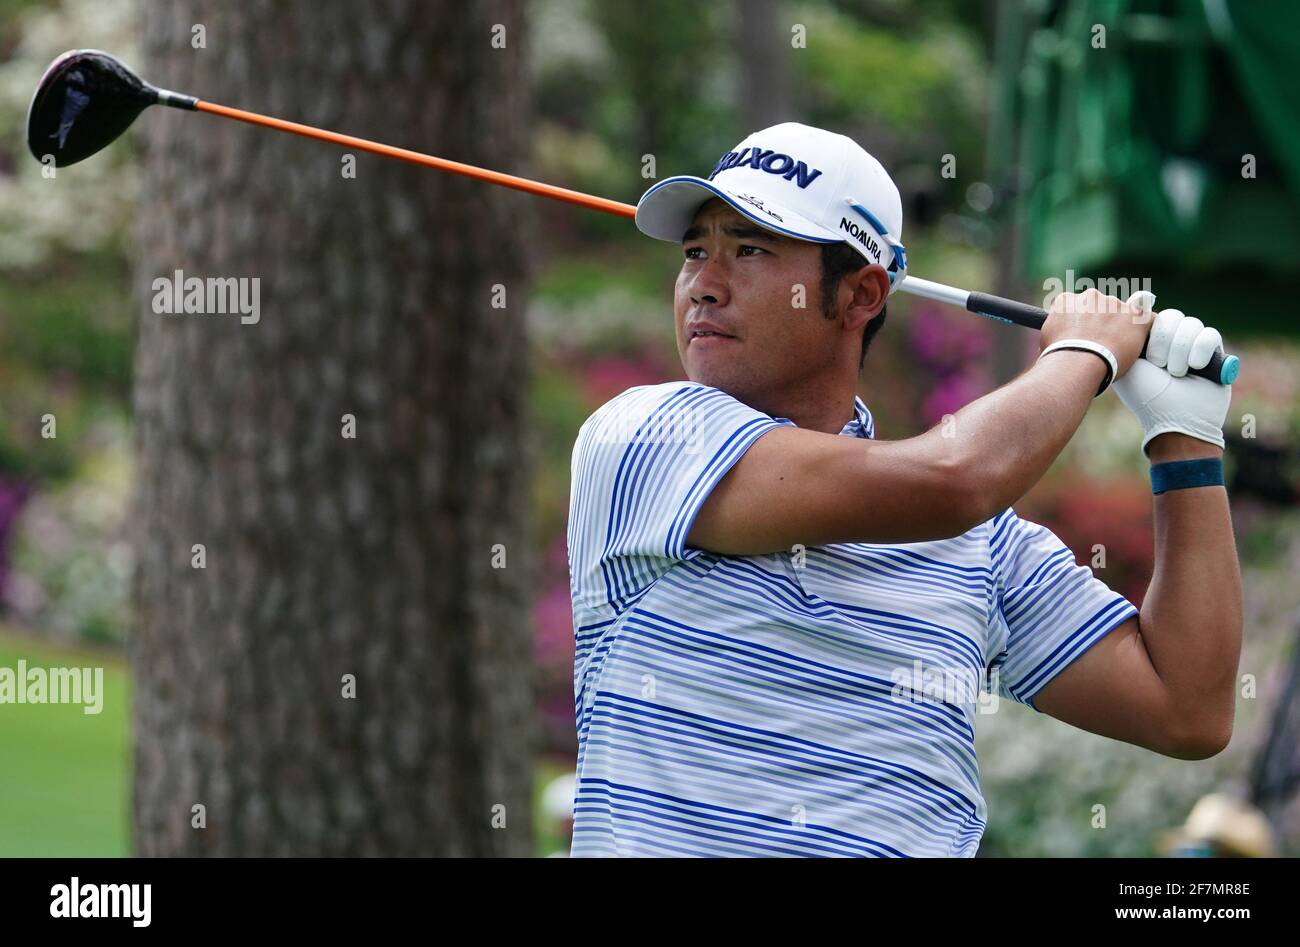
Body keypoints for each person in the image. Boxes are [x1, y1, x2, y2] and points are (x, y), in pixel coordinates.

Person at [565, 122, 1241, 857]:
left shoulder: (981, 546)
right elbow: (955, 479)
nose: (703, 283)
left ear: (860, 295)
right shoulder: (645, 438)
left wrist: (1186, 441)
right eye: (696, 250)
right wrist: (1085, 350)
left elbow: (1188, 707)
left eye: (750, 249)